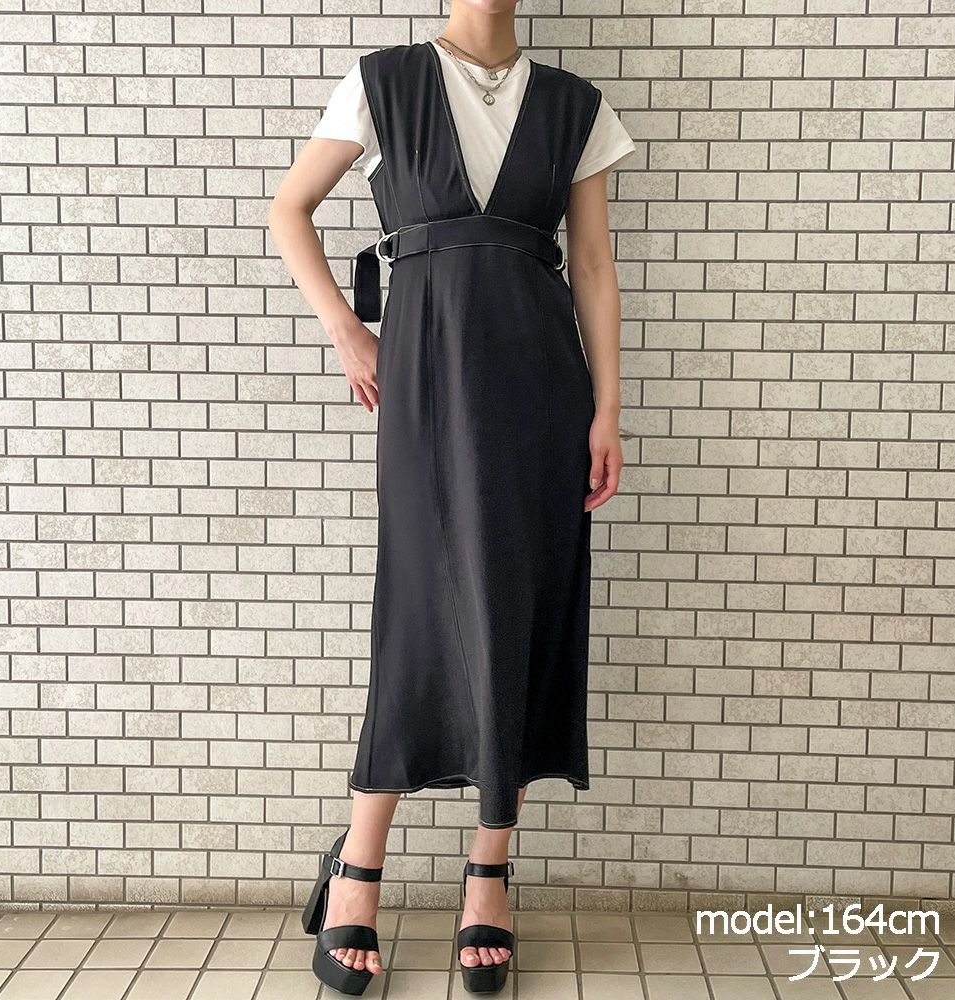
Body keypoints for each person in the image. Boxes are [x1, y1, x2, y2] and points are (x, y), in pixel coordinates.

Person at [268, 2, 634, 994]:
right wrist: (348, 331)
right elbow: (288, 210)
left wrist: (606, 409)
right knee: (419, 613)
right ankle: (358, 863)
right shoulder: (384, 84)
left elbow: (593, 264)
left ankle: (489, 873)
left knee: (517, 611)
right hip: (425, 378)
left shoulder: (575, 107)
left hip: (540, 389)